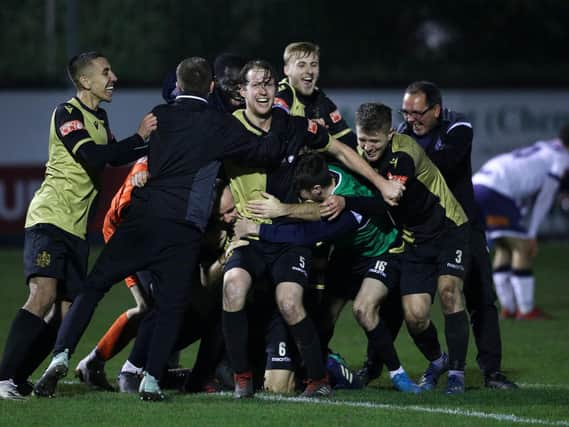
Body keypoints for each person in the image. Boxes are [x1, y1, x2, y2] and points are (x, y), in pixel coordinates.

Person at [32, 56, 296, 401]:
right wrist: (278, 117)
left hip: (140, 219)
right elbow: (268, 151)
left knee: (94, 287)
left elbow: (136, 152)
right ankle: (152, 379)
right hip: (182, 229)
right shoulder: (220, 125)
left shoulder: (159, 116)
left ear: (178, 86)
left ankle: (62, 355)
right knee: (170, 306)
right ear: (212, 87)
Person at [221, 60, 404, 399]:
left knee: (290, 303)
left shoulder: (294, 126)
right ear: (241, 91)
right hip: (248, 233)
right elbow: (206, 169)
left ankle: (319, 379)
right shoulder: (226, 129)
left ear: (277, 90)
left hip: (290, 237)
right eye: (256, 85)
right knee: (232, 288)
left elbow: (341, 150)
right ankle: (241, 377)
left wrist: (380, 183)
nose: (263, 90)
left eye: (269, 84)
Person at [0, 51, 156, 400]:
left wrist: (153, 147)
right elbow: (92, 156)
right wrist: (138, 136)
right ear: (85, 81)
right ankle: (3, 378)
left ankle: (19, 379)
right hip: (50, 219)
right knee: (43, 295)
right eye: (105, 72)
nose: (113, 77)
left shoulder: (99, 118)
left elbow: (115, 156)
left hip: (76, 229)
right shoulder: (67, 113)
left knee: (66, 314)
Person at [246, 153, 421, 393]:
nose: (300, 197)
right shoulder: (328, 172)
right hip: (347, 253)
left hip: (382, 251)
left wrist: (260, 228)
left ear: (317, 190)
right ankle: (323, 368)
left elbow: (307, 235)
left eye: (302, 194)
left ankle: (399, 376)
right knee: (324, 318)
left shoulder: (347, 208)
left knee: (363, 309)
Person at [394, 81, 518, 389]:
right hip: (420, 232)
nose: (411, 119)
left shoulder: (458, 127)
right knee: (401, 303)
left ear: (436, 110)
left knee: (481, 297)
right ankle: (376, 364)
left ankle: (491, 372)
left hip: (463, 226)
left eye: (418, 113)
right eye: (406, 112)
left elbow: (444, 165)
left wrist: (404, 165)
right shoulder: (403, 133)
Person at [354, 102, 471, 394]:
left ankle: (456, 372)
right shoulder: (361, 153)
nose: (367, 148)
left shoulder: (403, 154)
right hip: (414, 241)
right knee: (416, 317)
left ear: (391, 134)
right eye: (362, 140)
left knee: (448, 291)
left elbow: (388, 200)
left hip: (449, 229)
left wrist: (346, 202)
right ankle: (438, 361)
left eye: (374, 141)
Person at [472, 124, 569, 320]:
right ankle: (526, 310)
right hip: (496, 191)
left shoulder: (546, 147)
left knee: (504, 246)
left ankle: (508, 308)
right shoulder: (562, 158)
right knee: (522, 247)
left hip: (478, 185)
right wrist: (531, 234)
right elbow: (545, 197)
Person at [274, 41, 357, 149]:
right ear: (287, 70)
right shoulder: (280, 94)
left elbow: (346, 138)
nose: (309, 71)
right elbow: (277, 132)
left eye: (314, 65)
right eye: (301, 65)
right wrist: (310, 127)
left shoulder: (320, 98)